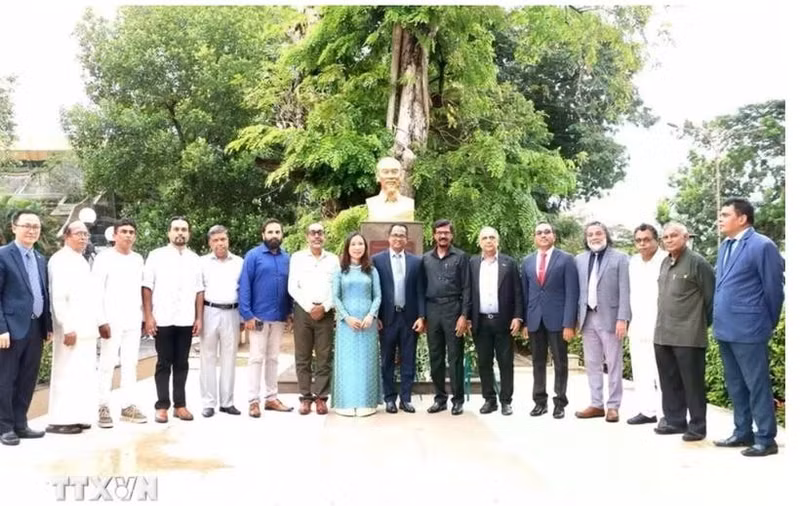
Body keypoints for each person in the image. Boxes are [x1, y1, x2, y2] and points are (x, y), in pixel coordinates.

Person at [712, 197, 784, 457]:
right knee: (735, 384)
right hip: (725, 327)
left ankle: (766, 438)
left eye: (725, 214)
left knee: (757, 384)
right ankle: (743, 431)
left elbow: (774, 290)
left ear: (741, 218)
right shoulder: (725, 246)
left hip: (750, 328)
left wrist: (767, 322)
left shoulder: (762, 246)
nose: (720, 219)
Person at [653, 222, 715, 442]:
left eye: (673, 236)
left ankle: (697, 427)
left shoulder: (698, 263)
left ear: (686, 237)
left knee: (693, 383)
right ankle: (674, 421)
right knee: (669, 381)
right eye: (665, 237)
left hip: (689, 335)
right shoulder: (664, 262)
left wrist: (697, 324)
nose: (668, 240)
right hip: (663, 333)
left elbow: (711, 300)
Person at [142, 216, 204, 423]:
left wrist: (199, 318)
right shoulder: (156, 256)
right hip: (163, 318)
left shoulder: (195, 259)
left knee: (182, 363)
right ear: (169, 233)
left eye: (184, 229)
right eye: (176, 229)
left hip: (185, 319)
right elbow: (147, 287)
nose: (180, 233)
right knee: (163, 363)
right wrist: (148, 317)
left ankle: (180, 405)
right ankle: (162, 406)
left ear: (189, 234)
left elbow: (199, 291)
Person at [0, 209, 51, 446]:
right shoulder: (3, 255)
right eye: (27, 225)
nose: (32, 230)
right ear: (14, 228)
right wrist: (1, 329)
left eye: (36, 227)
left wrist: (47, 325)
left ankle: (21, 424)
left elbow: (43, 294)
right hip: (10, 329)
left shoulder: (40, 258)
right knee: (6, 378)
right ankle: (5, 427)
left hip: (34, 327)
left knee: (27, 378)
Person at [574, 221, 631, 423]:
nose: (594, 237)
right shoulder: (579, 260)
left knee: (614, 363)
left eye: (598, 233)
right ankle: (596, 404)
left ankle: (613, 406)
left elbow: (625, 290)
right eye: (590, 234)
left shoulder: (621, 258)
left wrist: (623, 318)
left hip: (611, 318)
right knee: (591, 363)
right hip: (587, 318)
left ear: (606, 235)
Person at [46, 221, 100, 435]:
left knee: (82, 373)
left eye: (86, 234)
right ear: (66, 235)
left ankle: (78, 416)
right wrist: (67, 327)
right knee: (65, 372)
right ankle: (61, 419)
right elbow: (58, 297)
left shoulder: (81, 260)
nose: (83, 238)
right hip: (70, 329)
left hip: (86, 328)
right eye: (79, 234)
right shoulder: (59, 260)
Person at [521, 222, 578, 419]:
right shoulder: (527, 262)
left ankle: (560, 402)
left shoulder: (566, 259)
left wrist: (569, 323)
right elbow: (525, 294)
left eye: (547, 232)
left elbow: (572, 293)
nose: (543, 235)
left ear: (554, 235)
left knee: (560, 363)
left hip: (558, 320)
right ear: (534, 237)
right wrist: (526, 323)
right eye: (539, 233)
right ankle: (539, 402)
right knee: (537, 362)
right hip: (535, 319)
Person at [94, 218, 148, 428]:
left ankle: (128, 406)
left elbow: (140, 290)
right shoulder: (104, 258)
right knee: (107, 364)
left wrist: (144, 318)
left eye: (131, 232)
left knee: (130, 363)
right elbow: (96, 291)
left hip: (133, 320)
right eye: (123, 231)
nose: (127, 235)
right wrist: (101, 320)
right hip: (110, 320)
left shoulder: (137, 259)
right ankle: (103, 406)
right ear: (115, 235)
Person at [239, 219, 294, 418]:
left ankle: (271, 398)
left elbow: (290, 288)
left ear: (282, 235)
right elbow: (244, 285)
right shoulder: (253, 256)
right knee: (256, 358)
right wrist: (247, 314)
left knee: (273, 358)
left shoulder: (287, 258)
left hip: (279, 317)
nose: (274, 235)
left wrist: (290, 312)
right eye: (270, 232)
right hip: (258, 317)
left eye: (277, 232)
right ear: (263, 235)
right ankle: (253, 401)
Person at [468, 226, 522, 416]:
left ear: (497, 241)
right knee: (484, 363)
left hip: (503, 321)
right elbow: (468, 292)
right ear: (479, 242)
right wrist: (466, 317)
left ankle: (506, 401)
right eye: (485, 238)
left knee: (506, 362)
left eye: (492, 237)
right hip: (480, 322)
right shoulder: (473, 263)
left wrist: (517, 316)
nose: (489, 241)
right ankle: (489, 400)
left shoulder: (509, 263)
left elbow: (517, 292)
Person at [371, 224, 425, 414]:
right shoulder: (377, 260)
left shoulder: (416, 262)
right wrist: (375, 315)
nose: (398, 238)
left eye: (402, 235)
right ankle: (389, 399)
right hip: (387, 318)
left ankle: (406, 399)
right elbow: (374, 290)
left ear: (406, 239)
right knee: (387, 360)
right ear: (389, 237)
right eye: (395, 235)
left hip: (409, 318)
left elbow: (420, 290)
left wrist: (421, 316)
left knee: (408, 359)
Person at [288, 223, 339, 415]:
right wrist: (310, 307)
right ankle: (305, 397)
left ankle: (321, 397)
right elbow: (293, 287)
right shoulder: (298, 258)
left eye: (320, 233)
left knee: (324, 355)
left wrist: (324, 307)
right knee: (303, 356)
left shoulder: (333, 259)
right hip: (303, 311)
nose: (317, 236)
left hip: (326, 312)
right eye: (313, 233)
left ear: (324, 236)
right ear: (307, 236)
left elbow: (337, 287)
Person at [421, 219, 471, 416]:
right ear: (433, 235)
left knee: (455, 357)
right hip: (432, 310)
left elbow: (467, 288)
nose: (442, 236)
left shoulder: (461, 257)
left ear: (451, 235)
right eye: (439, 232)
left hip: (454, 309)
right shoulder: (425, 259)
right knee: (435, 357)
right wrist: (423, 316)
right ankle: (440, 399)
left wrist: (464, 316)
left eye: (446, 233)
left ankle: (458, 400)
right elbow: (421, 288)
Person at [331, 232, 382, 417]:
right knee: (348, 362)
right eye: (353, 244)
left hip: (368, 324)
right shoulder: (340, 271)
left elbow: (377, 296)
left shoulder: (372, 270)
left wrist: (371, 315)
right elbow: (335, 297)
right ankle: (346, 403)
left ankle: (366, 402)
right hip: (347, 325)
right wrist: (346, 317)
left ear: (365, 248)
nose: (357, 247)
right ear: (347, 247)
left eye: (361, 243)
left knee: (366, 362)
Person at [199, 225, 243, 418]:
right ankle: (208, 402)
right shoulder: (201, 263)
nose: (220, 243)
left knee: (229, 358)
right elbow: (198, 291)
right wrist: (198, 318)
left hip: (232, 312)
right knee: (207, 357)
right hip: (209, 311)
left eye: (222, 239)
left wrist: (243, 318)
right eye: (215, 240)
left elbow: (243, 290)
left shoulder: (239, 262)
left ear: (228, 240)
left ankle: (227, 402)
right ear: (210, 243)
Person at [626, 223, 668, 425]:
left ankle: (665, 414)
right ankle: (647, 410)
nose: (642, 244)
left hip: (661, 325)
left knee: (662, 372)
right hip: (638, 324)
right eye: (638, 240)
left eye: (647, 239)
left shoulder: (666, 260)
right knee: (641, 370)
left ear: (656, 240)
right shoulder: (633, 262)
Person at [365, 156, 415, 221]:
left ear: (401, 176)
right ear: (377, 176)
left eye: (394, 172)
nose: (390, 176)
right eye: (385, 172)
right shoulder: (370, 204)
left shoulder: (409, 204)